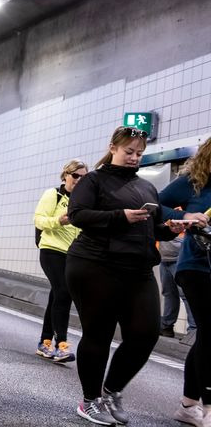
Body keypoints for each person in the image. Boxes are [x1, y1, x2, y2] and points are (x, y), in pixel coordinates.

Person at [66, 126, 197, 425]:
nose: (135, 158)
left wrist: (170, 228)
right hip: (95, 265)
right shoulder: (93, 181)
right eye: (129, 152)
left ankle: (111, 390)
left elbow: (152, 228)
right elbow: (77, 215)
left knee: (145, 334)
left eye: (139, 153)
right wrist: (120, 216)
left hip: (138, 270)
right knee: (98, 334)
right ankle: (90, 401)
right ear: (113, 147)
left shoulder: (146, 188)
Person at [158, 138, 211, 427]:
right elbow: (157, 204)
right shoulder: (193, 182)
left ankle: (188, 405)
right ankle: (208, 407)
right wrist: (185, 216)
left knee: (206, 337)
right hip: (196, 266)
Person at [33, 159, 87, 363]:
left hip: (71, 254)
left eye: (83, 177)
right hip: (51, 250)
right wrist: (58, 221)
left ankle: (45, 342)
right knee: (64, 292)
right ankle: (61, 344)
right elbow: (38, 220)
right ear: (66, 175)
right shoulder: (53, 194)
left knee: (57, 295)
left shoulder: (83, 202)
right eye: (75, 175)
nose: (79, 180)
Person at [158, 235, 196, 337]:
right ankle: (167, 326)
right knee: (169, 294)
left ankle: (193, 330)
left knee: (186, 295)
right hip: (164, 260)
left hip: (181, 259)